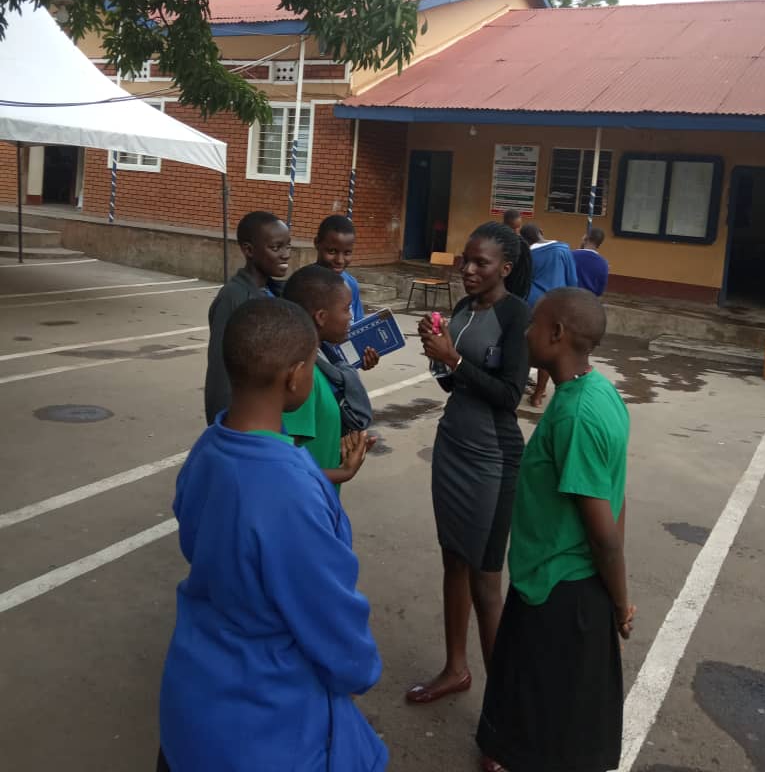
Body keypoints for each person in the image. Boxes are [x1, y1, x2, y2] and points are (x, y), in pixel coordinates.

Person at [158, 298, 388, 772]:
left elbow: (200, 536)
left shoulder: (209, 447)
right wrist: (362, 669)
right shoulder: (291, 489)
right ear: (296, 376)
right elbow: (329, 616)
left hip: (193, 695)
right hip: (264, 724)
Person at [476, 288, 633, 772]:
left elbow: (602, 530)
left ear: (557, 334)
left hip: (559, 586)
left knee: (548, 710)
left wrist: (620, 601)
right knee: (545, 701)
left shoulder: (576, 416)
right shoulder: (599, 391)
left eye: (533, 325)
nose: (526, 332)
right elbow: (617, 495)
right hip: (554, 578)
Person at [406, 222, 530, 706]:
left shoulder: (517, 315)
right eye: (466, 260)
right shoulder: (462, 309)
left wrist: (455, 359)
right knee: (453, 559)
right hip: (453, 445)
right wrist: (437, 355)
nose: (469, 270)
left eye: (481, 263)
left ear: (506, 267)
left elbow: (510, 394)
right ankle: (455, 669)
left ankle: (501, 711)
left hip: (492, 457)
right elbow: (450, 385)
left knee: (486, 580)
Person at [282, 264, 374, 488]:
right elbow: (285, 472)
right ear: (321, 317)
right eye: (346, 309)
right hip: (306, 502)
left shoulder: (321, 360)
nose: (351, 316)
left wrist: (340, 451)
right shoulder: (303, 377)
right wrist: (345, 471)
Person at [204, 211, 291, 425]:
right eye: (276, 247)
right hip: (248, 420)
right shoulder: (233, 298)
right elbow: (220, 371)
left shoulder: (279, 293)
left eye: (288, 246)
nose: (286, 254)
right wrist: (223, 428)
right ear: (249, 250)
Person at [520, 223, 578, 408]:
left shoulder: (528, 254)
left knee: (525, 345)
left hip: (532, 304)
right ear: (541, 232)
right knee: (548, 346)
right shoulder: (564, 249)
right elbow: (573, 281)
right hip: (557, 304)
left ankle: (519, 385)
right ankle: (538, 394)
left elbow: (522, 281)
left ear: (525, 240)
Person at [315, 214, 378, 369]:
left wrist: (364, 357)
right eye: (332, 251)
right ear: (317, 243)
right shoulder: (303, 284)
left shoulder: (350, 284)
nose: (340, 260)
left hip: (344, 372)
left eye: (347, 253)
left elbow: (357, 329)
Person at [501, 210, 533, 301]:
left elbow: (527, 271)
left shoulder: (523, 245)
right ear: (504, 225)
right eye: (512, 228)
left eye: (518, 227)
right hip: (501, 287)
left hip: (518, 290)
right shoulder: (498, 241)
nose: (516, 231)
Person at [573, 226, 610, 296]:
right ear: (600, 243)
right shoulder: (604, 263)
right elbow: (600, 290)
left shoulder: (570, 255)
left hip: (570, 296)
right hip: (590, 299)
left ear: (585, 238)